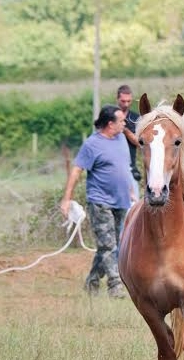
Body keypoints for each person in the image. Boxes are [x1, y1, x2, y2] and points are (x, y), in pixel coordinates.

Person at [60, 105, 135, 298]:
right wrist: (67, 199)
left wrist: (130, 190)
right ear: (110, 124)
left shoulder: (121, 139)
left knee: (111, 246)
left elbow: (123, 168)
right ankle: (115, 285)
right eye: (121, 121)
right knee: (108, 245)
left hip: (122, 201)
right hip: (100, 201)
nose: (124, 123)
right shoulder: (92, 144)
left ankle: (92, 283)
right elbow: (77, 171)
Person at [116, 84, 142, 200]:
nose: (126, 104)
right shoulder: (110, 115)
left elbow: (139, 142)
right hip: (112, 167)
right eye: (123, 101)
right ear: (117, 99)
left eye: (128, 101)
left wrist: (125, 130)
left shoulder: (135, 118)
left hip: (130, 167)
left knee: (133, 203)